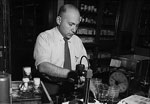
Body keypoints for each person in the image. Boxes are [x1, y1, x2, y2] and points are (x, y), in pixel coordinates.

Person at [33, 4, 96, 102]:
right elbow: (43, 66)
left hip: (71, 91)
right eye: (70, 24)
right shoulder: (44, 37)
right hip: (51, 91)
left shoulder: (77, 41)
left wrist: (90, 86)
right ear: (59, 20)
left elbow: (85, 67)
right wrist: (71, 74)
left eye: (77, 25)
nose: (74, 30)